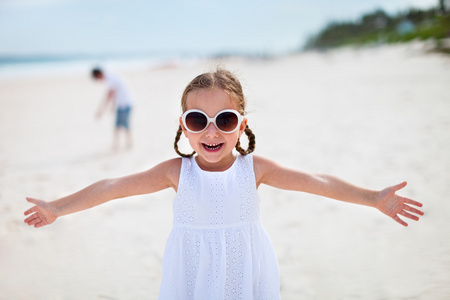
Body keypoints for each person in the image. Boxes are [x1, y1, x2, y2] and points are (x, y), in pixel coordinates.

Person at [24, 68, 424, 299]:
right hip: (192, 277)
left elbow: (316, 181)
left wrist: (373, 198)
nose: (211, 131)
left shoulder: (256, 169)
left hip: (244, 274)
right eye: (198, 119)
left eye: (225, 120)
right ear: (184, 126)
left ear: (242, 125)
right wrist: (57, 207)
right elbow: (113, 186)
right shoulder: (176, 173)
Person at [92, 67, 133, 149]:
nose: (99, 80)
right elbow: (114, 93)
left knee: (124, 125)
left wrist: (102, 110)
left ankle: (126, 144)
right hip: (122, 104)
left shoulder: (110, 78)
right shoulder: (111, 75)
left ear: (98, 75)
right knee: (119, 126)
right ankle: (120, 144)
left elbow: (110, 94)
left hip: (125, 104)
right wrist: (113, 106)